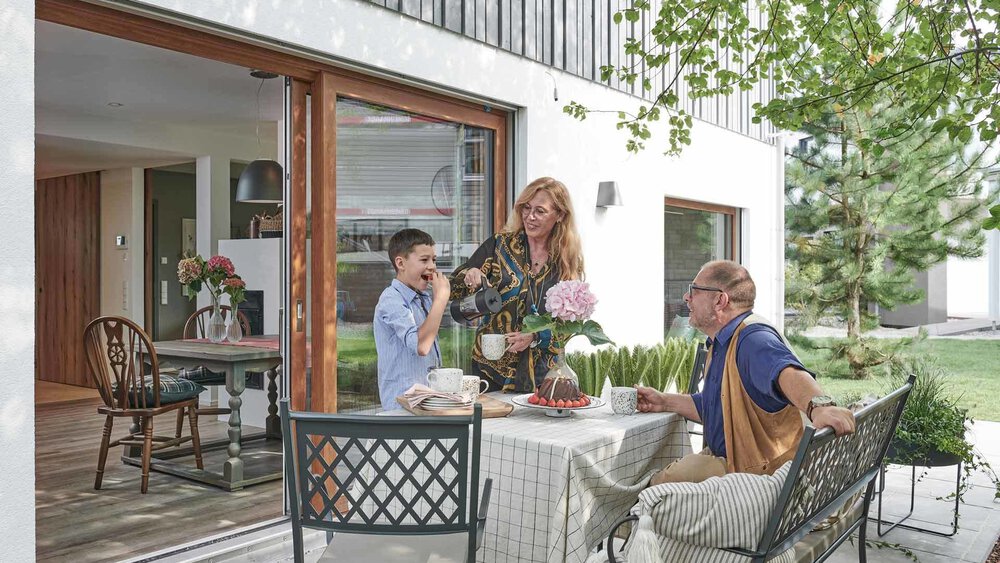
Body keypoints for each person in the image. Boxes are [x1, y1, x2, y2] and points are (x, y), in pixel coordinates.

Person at [638, 260, 855, 484]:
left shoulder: (752, 340)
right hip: (735, 461)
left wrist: (819, 407)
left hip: (752, 475)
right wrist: (664, 402)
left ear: (720, 300)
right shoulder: (723, 341)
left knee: (651, 485)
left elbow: (788, 372)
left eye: (693, 290)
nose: (686, 297)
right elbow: (716, 407)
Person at [450, 177, 585, 393]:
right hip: (490, 367)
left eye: (540, 211)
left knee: (534, 428)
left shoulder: (566, 261)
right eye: (526, 208)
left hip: (542, 374)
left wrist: (535, 336)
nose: (530, 217)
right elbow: (454, 288)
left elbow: (571, 322)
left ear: (559, 215)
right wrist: (470, 273)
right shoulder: (499, 245)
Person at [374, 229, 450, 410]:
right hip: (402, 409)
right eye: (424, 260)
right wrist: (440, 299)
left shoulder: (423, 298)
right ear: (401, 263)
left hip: (426, 403)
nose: (432, 266)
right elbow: (421, 346)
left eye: (434, 260)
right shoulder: (391, 299)